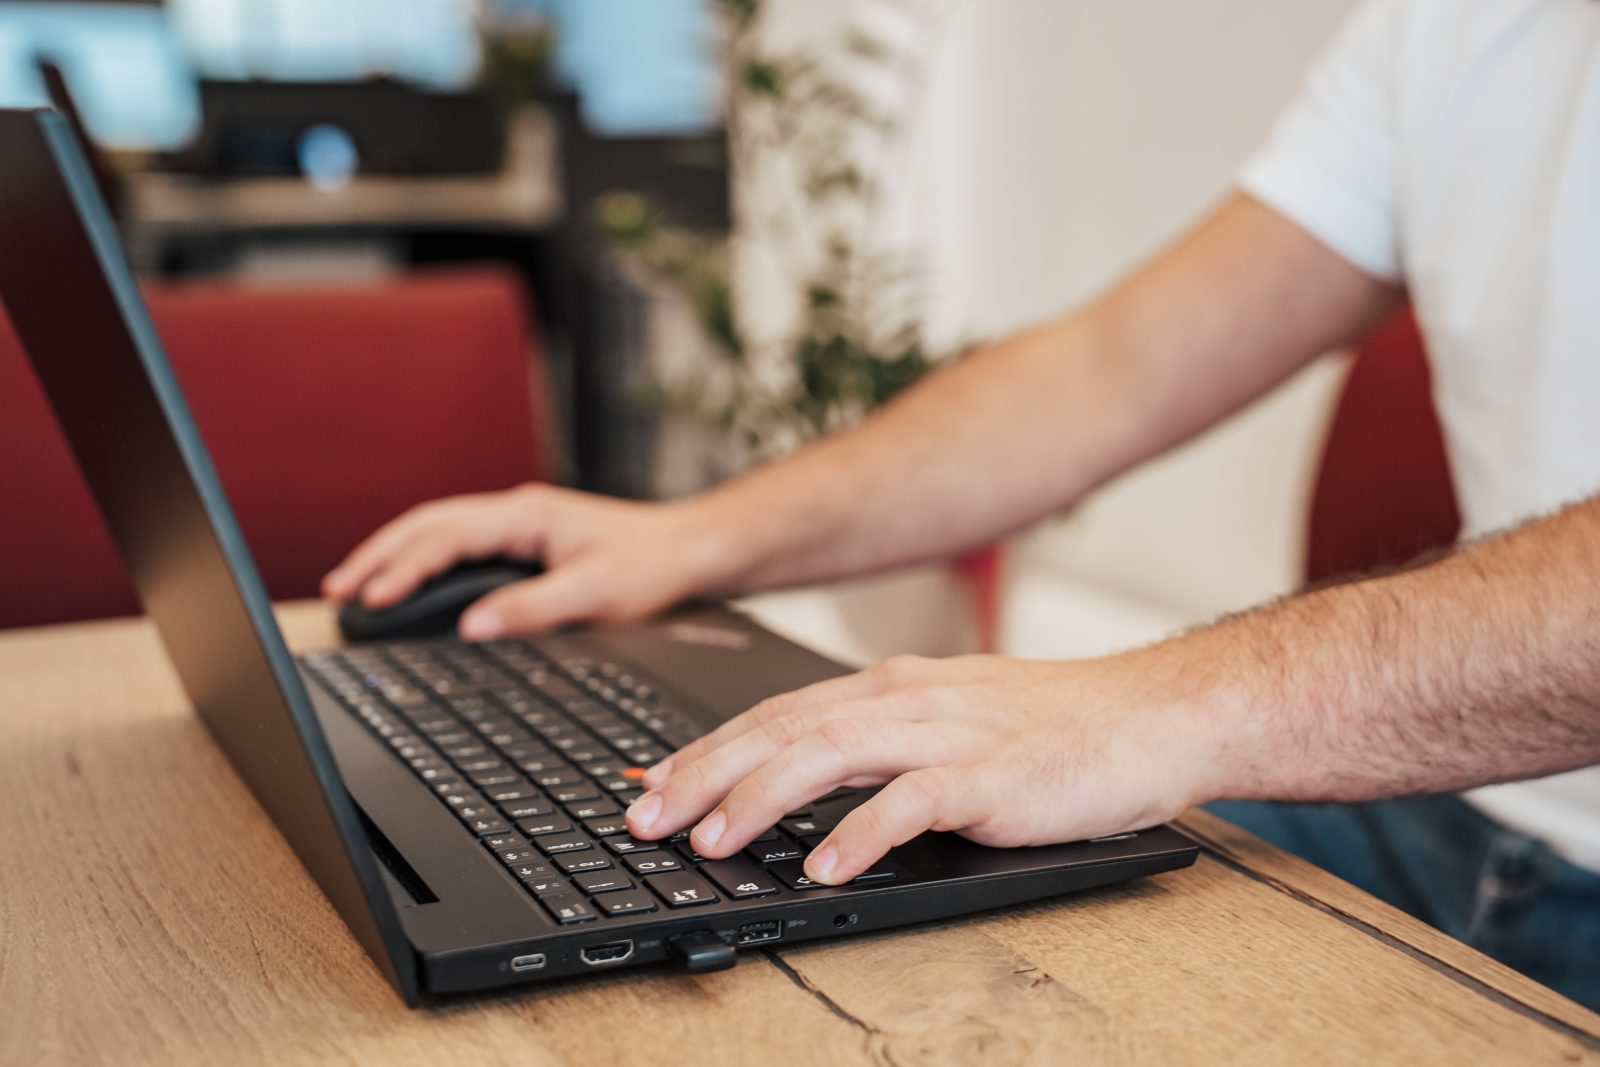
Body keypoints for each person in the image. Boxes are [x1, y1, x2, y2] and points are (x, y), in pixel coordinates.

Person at [324, 0, 1600, 1008]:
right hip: (1428, 820)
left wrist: (1159, 697)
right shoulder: (1454, 24)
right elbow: (1108, 372)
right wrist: (689, 537)